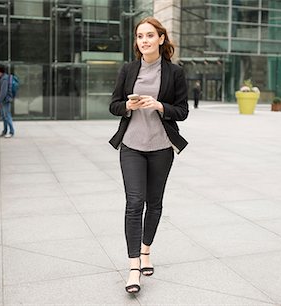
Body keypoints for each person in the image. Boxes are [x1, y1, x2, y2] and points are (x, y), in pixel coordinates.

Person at [109, 17, 188, 294]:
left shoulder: (175, 73)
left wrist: (160, 105)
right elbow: (113, 105)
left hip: (161, 148)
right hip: (131, 145)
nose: (144, 40)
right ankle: (133, 268)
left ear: (161, 39)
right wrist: (128, 106)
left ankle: (145, 251)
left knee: (154, 203)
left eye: (150, 35)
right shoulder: (128, 69)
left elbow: (183, 112)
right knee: (134, 203)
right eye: (140, 36)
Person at [0, 64, 15, 138]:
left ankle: (11, 132)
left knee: (7, 115)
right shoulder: (2, 78)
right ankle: (5, 131)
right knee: (4, 116)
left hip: (5, 100)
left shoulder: (4, 78)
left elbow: (3, 92)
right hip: (4, 100)